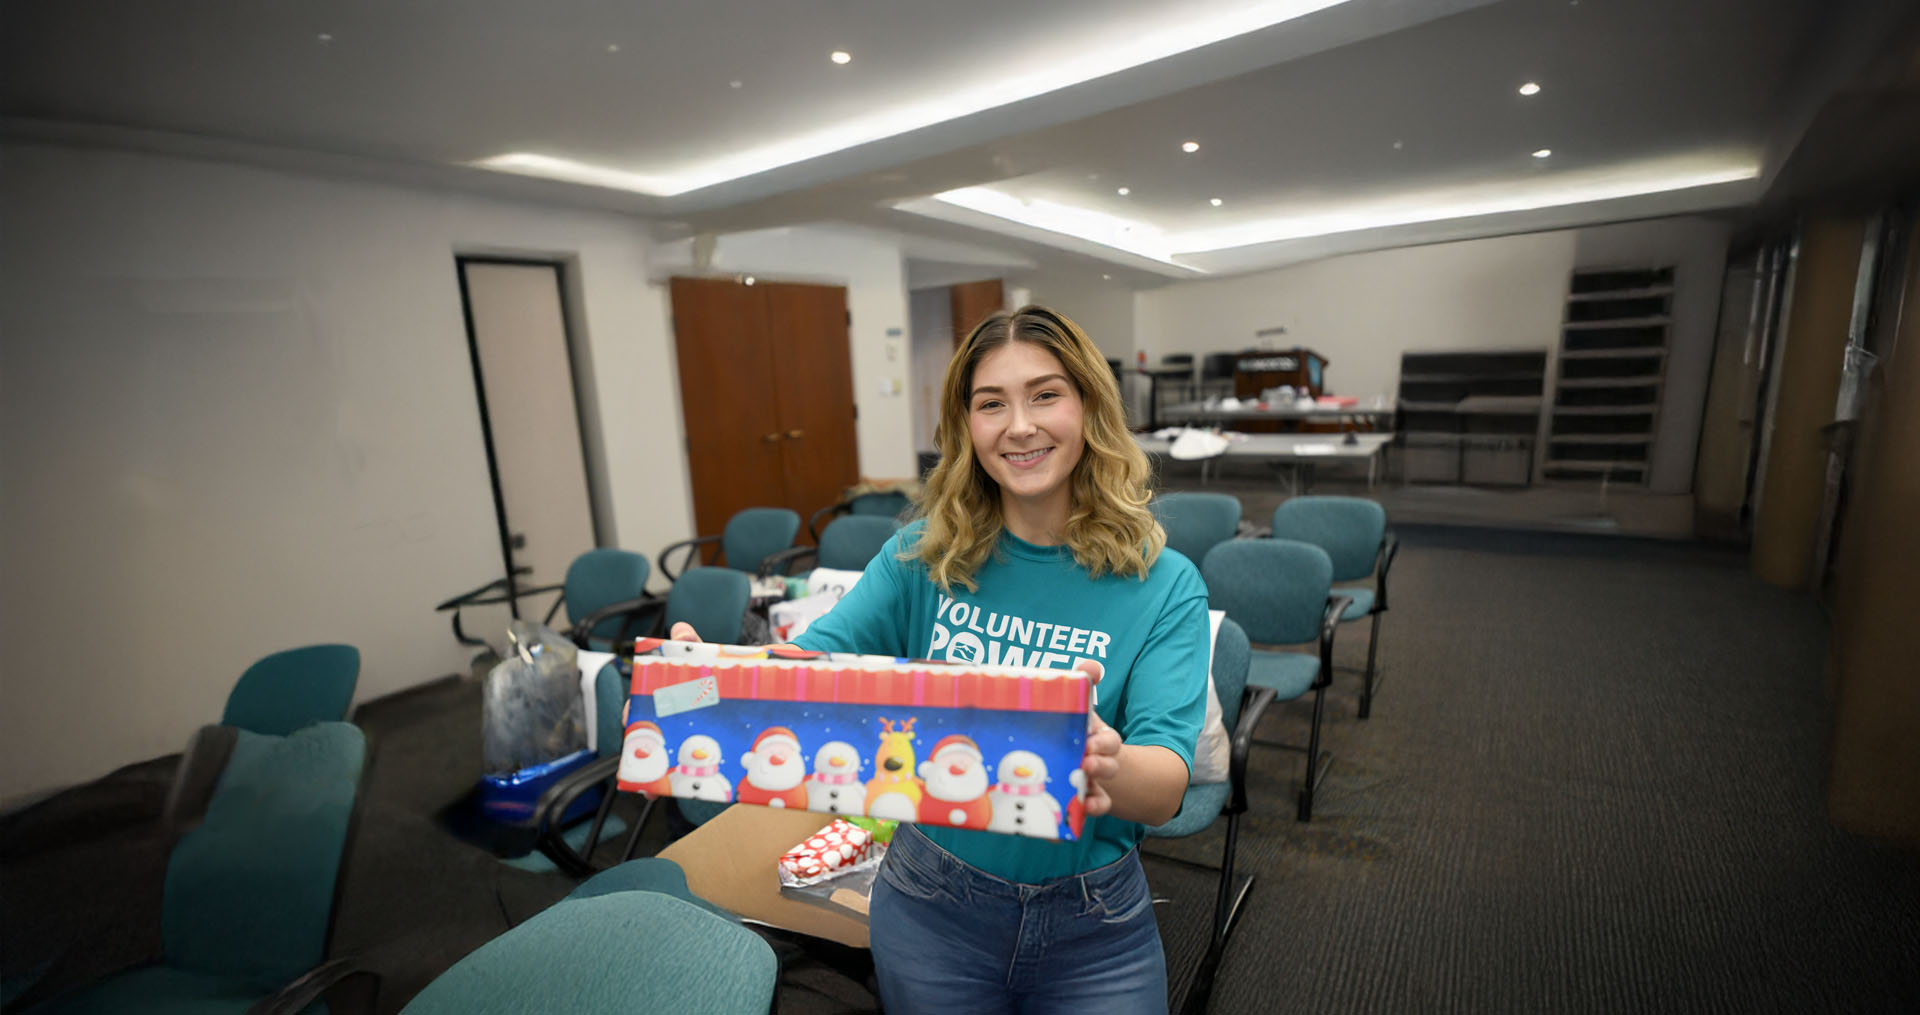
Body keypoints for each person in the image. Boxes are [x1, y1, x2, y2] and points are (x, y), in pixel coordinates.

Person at [674, 305, 1209, 1014]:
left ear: (1089, 407)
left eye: (1045, 394)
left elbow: (1167, 784)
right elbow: (805, 668)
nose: (1020, 425)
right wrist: (697, 683)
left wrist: (1105, 761)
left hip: (1095, 924)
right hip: (932, 906)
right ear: (967, 427)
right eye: (992, 403)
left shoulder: (1164, 581)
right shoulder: (921, 555)